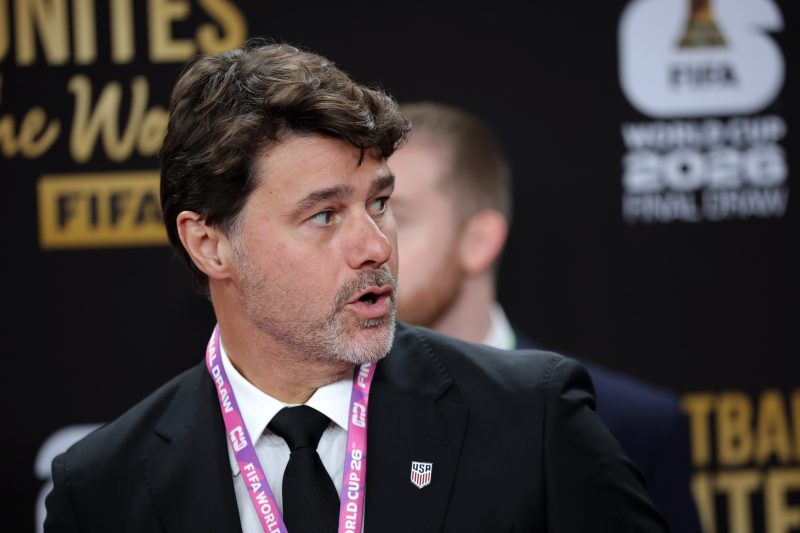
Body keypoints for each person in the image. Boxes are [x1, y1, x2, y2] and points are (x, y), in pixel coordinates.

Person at [44, 40, 667, 533]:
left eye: (380, 203)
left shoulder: (532, 417)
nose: (376, 246)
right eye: (324, 215)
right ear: (209, 244)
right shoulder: (100, 488)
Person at [389, 101, 702, 533]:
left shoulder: (625, 423)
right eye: (366, 211)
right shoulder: (320, 415)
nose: (371, 243)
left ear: (479, 241)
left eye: (395, 215)